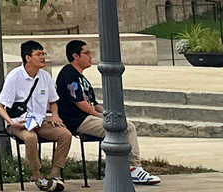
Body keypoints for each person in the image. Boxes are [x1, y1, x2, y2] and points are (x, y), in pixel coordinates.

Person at [57, 40, 160, 186]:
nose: (91, 56)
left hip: (89, 116)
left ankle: (124, 168)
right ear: (75, 56)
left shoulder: (82, 77)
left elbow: (94, 103)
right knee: (124, 127)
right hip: (78, 120)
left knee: (121, 123)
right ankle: (133, 168)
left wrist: (106, 112)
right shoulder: (68, 73)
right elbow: (79, 102)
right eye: (86, 53)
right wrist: (98, 116)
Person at [0, 40, 72, 191]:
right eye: (38, 54)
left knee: (65, 135)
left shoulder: (45, 76)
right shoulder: (14, 76)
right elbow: (0, 106)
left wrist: (55, 115)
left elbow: (53, 101)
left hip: (39, 121)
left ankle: (54, 174)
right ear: (28, 58)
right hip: (19, 121)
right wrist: (11, 122)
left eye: (43, 53)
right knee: (30, 138)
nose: (43, 57)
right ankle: (37, 175)